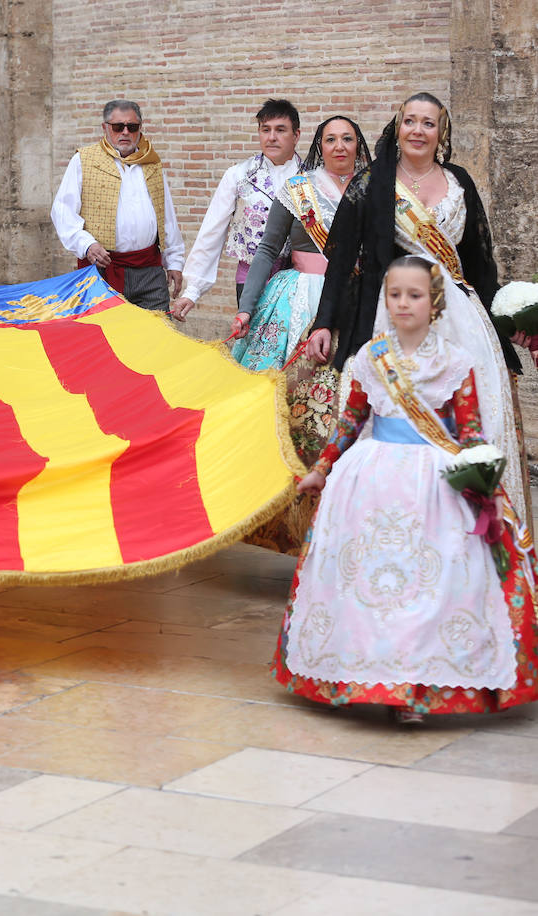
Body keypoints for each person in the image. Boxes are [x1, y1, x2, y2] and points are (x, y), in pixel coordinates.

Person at [275, 256, 538, 723]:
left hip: (434, 485)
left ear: (434, 302)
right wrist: (322, 468)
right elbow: (351, 421)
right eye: (394, 294)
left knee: (427, 585)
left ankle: (417, 689)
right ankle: (362, 674)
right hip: (371, 481)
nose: (403, 303)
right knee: (370, 584)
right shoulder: (369, 359)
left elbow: (470, 430)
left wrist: (482, 478)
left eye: (414, 295)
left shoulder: (457, 363)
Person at [309, 91, 528, 505]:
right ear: (398, 126)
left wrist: (514, 324)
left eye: (428, 123)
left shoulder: (459, 182)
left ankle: (472, 526)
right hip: (396, 316)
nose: (418, 131)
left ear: (441, 131)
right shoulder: (372, 184)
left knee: (470, 419)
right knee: (392, 420)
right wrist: (324, 321)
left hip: (463, 323)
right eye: (410, 121)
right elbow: (341, 262)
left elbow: (481, 266)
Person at [230, 116, 371, 371]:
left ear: (358, 145)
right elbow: (268, 250)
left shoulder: (374, 191)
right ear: (320, 146)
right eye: (331, 139)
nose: (339, 146)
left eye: (347, 138)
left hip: (358, 294)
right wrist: (246, 308)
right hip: (299, 295)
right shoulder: (298, 189)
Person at [171, 99, 302, 321]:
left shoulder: (310, 177)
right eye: (265, 130)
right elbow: (213, 230)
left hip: (298, 278)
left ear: (296, 135)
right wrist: (193, 290)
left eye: (280, 130)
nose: (271, 137)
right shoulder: (239, 175)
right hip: (249, 279)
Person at [50, 100, 184, 312]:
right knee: (105, 338)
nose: (125, 132)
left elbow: (166, 215)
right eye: (117, 127)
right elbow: (62, 211)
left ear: (140, 128)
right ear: (105, 128)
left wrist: (174, 262)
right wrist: (87, 245)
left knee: (156, 337)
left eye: (132, 127)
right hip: (102, 271)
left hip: (149, 271)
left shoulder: (151, 163)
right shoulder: (83, 160)